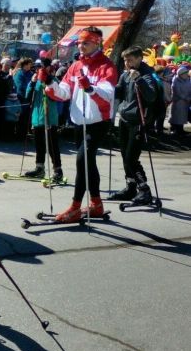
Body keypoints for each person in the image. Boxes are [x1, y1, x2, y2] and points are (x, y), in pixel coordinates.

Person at [45, 27, 118, 222]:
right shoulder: (76, 66)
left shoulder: (106, 65)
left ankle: (75, 206)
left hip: (97, 122)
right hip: (79, 121)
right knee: (88, 163)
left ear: (97, 43)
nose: (81, 46)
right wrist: (50, 82)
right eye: (79, 43)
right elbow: (64, 92)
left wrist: (90, 87)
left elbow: (107, 95)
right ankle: (96, 203)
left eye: (85, 43)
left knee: (82, 161)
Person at [108, 46, 157, 204]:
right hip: (124, 119)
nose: (126, 63)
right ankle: (131, 186)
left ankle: (144, 190)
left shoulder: (147, 74)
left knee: (131, 158)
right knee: (124, 155)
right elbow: (119, 92)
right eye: (125, 60)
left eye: (129, 60)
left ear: (138, 58)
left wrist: (139, 79)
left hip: (139, 121)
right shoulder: (125, 75)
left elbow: (150, 97)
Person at [24, 59, 63, 182]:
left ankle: (58, 170)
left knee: (52, 146)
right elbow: (28, 96)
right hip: (37, 117)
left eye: (40, 67)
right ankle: (39, 168)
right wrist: (31, 82)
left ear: (47, 67)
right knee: (39, 144)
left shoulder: (53, 80)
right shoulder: (35, 80)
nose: (37, 70)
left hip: (49, 117)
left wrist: (47, 83)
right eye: (36, 67)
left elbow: (57, 95)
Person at [170, 66, 191, 136]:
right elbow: (177, 92)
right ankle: (176, 130)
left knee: (182, 117)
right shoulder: (175, 80)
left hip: (186, 101)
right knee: (177, 116)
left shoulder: (187, 79)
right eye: (186, 73)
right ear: (181, 74)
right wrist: (185, 98)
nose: (187, 74)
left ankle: (181, 130)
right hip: (178, 101)